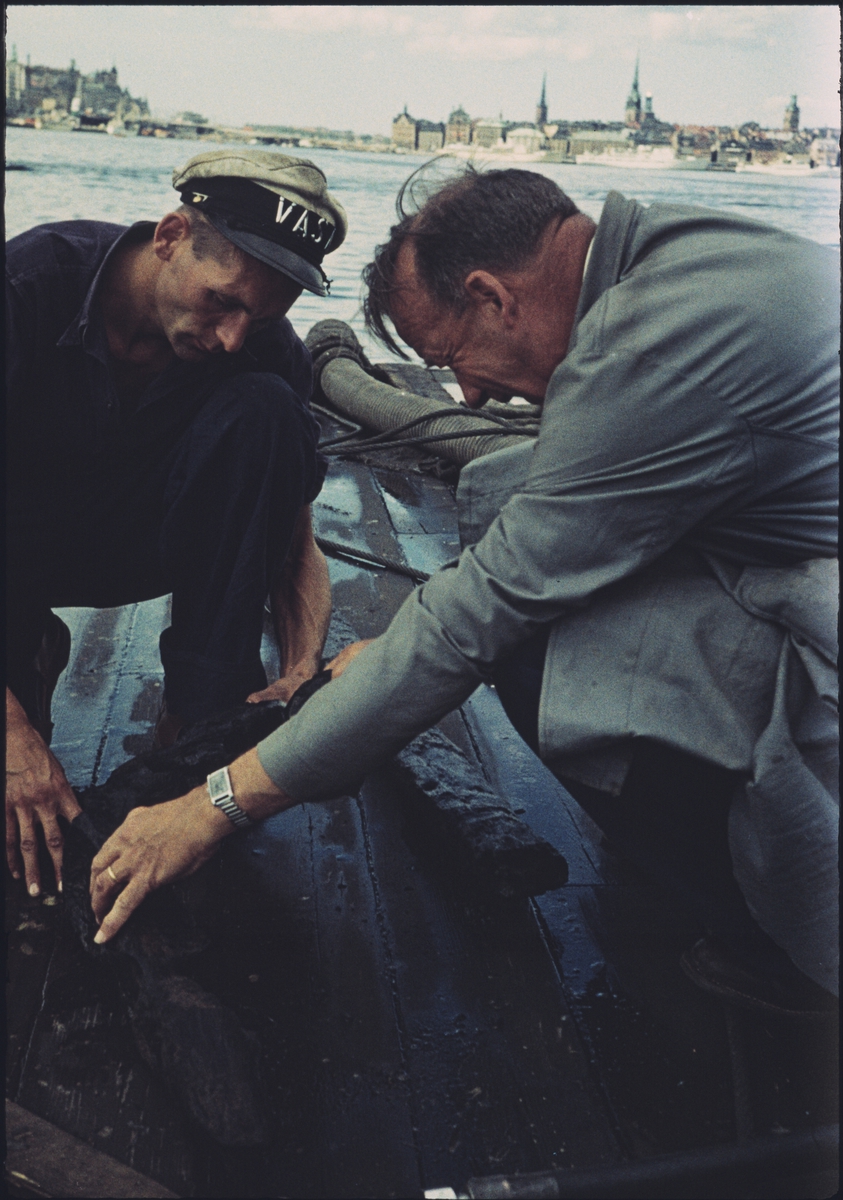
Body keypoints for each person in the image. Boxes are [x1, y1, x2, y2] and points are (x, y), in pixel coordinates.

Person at [88, 167, 838, 1015]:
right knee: (507, 491)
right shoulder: (677, 254)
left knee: (536, 648)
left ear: (491, 296)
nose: (472, 396)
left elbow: (478, 618)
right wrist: (390, 650)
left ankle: (776, 945)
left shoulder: (652, 354)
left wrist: (213, 805)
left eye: (452, 362)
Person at [6, 149, 348, 900]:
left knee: (267, 412)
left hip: (139, 543)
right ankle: (24, 647)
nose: (232, 337)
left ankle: (193, 720)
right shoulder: (25, 287)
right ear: (169, 236)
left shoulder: (262, 351)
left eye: (260, 317)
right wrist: (11, 735)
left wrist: (301, 673)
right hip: (14, 547)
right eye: (222, 301)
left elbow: (293, 546)